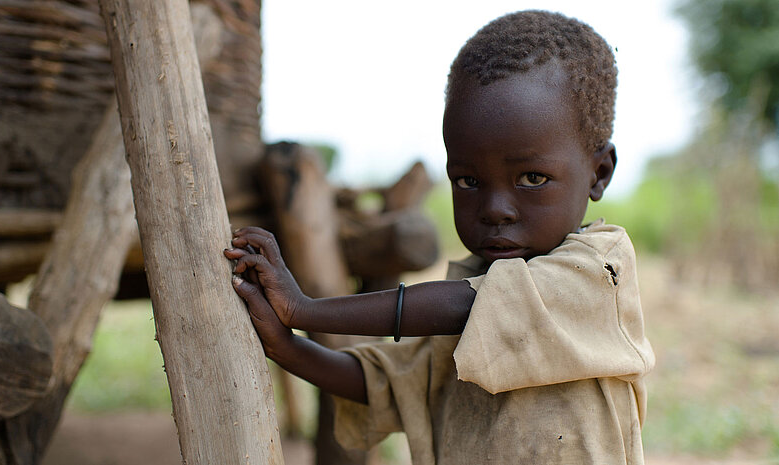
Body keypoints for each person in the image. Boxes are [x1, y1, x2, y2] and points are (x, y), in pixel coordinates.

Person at [223, 9, 655, 464]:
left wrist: (305, 309)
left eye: (531, 178)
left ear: (599, 173)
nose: (495, 209)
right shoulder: (471, 291)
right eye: (468, 181)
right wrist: (286, 345)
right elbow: (383, 384)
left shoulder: (597, 271)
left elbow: (463, 306)